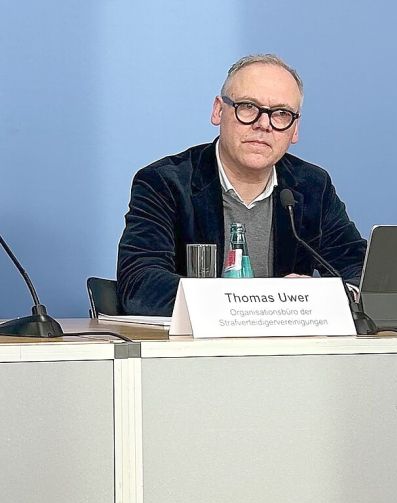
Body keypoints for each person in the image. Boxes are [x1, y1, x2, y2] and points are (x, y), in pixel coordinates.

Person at [117, 54, 366, 315]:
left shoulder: (312, 186)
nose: (263, 124)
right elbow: (140, 284)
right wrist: (264, 301)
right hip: (196, 351)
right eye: (248, 107)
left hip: (291, 351)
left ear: (295, 129)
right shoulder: (165, 183)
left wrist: (323, 295)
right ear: (218, 110)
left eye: (281, 114)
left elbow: (358, 270)